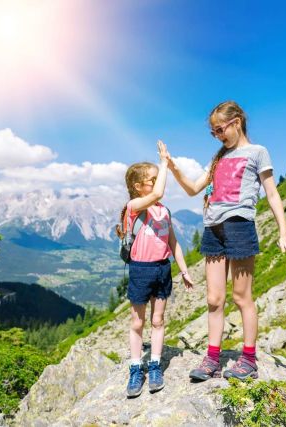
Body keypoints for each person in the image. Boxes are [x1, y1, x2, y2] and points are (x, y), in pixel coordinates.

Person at [166, 101, 286, 381]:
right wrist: (173, 168)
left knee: (242, 296)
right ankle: (212, 358)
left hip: (240, 227)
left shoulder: (258, 152)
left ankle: (249, 359)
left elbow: (273, 194)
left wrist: (284, 233)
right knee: (214, 298)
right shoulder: (217, 157)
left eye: (220, 130)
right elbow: (193, 189)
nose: (218, 136)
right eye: (213, 132)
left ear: (236, 122)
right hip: (213, 228)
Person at [116, 140, 194, 397]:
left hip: (162, 269)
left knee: (158, 320)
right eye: (153, 179)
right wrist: (163, 162)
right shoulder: (133, 207)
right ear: (138, 187)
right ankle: (136, 368)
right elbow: (157, 194)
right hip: (140, 269)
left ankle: (155, 365)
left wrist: (183, 270)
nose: (159, 182)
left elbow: (174, 243)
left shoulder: (164, 211)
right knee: (137, 321)